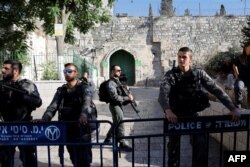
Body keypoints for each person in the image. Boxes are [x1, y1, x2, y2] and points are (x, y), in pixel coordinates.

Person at [158, 47, 241, 167]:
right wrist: (168, 111)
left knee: (200, 143)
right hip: (175, 116)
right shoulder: (171, 75)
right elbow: (162, 95)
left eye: (184, 57)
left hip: (192, 115)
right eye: (179, 56)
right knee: (173, 147)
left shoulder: (199, 73)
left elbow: (217, 90)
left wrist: (233, 108)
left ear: (190, 59)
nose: (181, 59)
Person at [41, 63, 96, 167]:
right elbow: (53, 107)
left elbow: (87, 103)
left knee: (84, 158)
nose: (67, 74)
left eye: (69, 71)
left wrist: (83, 115)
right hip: (66, 128)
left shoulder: (84, 88)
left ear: (76, 73)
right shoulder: (61, 90)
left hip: (82, 128)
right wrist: (44, 119)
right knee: (74, 157)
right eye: (65, 72)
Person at [0, 60, 42, 167]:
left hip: (24, 127)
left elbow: (38, 102)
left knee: (27, 157)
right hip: (6, 128)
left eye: (6, 68)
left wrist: (22, 96)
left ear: (15, 71)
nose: (2, 70)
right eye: (2, 68)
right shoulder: (2, 85)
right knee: (5, 158)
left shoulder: (27, 85)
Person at [103, 65, 134, 152]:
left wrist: (128, 91)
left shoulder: (118, 81)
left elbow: (123, 91)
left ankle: (108, 139)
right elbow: (114, 97)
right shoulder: (110, 83)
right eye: (118, 70)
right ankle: (122, 142)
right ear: (112, 71)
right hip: (114, 105)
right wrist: (127, 98)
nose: (120, 72)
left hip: (118, 105)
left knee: (116, 122)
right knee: (120, 123)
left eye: (120, 70)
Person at [233, 42, 250, 109]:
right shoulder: (241, 57)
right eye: (248, 48)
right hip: (241, 78)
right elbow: (234, 65)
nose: (249, 50)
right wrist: (236, 74)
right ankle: (238, 104)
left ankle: (249, 106)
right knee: (238, 87)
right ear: (245, 49)